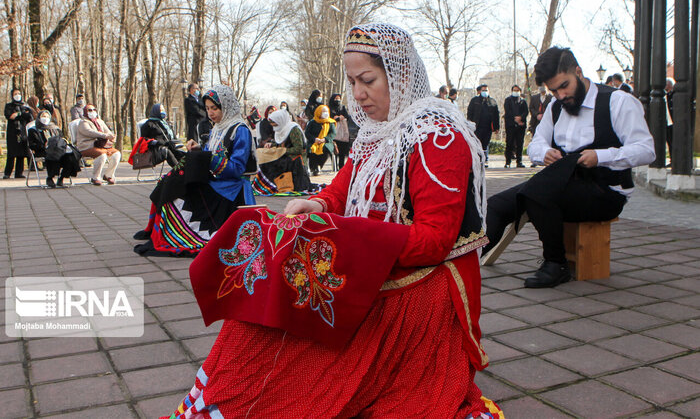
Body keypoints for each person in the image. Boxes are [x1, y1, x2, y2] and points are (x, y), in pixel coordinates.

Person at [162, 23, 500, 419]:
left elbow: (434, 241)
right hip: (377, 255)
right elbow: (341, 190)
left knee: (305, 316)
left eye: (368, 80)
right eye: (353, 81)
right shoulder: (375, 133)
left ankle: (251, 397)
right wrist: (318, 207)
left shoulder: (440, 136)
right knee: (274, 279)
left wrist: (349, 241)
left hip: (426, 277)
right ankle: (229, 395)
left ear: (401, 74)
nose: (358, 93)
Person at [483, 47, 655, 288]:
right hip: (561, 183)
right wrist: (545, 153)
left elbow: (647, 150)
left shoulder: (618, 102)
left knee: (537, 194)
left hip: (606, 191)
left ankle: (556, 263)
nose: (561, 95)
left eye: (565, 86)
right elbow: (536, 145)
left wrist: (601, 156)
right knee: (497, 204)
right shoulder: (555, 106)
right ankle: (472, 255)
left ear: (578, 71)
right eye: (554, 90)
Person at [133, 84, 255, 257]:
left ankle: (177, 234)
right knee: (170, 183)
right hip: (215, 182)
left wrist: (207, 158)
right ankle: (162, 232)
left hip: (231, 190)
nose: (211, 113)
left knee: (178, 191)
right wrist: (199, 150)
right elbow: (210, 154)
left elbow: (236, 169)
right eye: (207, 108)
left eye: (214, 108)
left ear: (226, 106)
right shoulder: (217, 128)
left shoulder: (240, 130)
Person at [255, 108, 311, 193]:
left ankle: (278, 185)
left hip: (295, 159)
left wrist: (283, 151)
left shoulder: (293, 129)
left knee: (275, 163)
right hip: (285, 155)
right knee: (266, 160)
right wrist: (272, 145)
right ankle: (267, 185)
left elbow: (299, 149)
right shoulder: (280, 129)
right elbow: (280, 143)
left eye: (275, 125)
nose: (274, 128)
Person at [27, 110, 81, 188]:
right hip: (43, 150)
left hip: (58, 148)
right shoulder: (33, 130)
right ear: (39, 118)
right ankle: (50, 177)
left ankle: (62, 177)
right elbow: (32, 145)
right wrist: (44, 145)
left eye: (47, 117)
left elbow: (62, 138)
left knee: (71, 156)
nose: (45, 118)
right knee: (54, 154)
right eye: (43, 116)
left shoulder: (55, 128)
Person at [76, 104, 121, 186]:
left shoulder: (100, 121)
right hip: (87, 146)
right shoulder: (83, 122)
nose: (92, 112)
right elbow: (90, 132)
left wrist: (111, 137)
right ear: (85, 112)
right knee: (102, 155)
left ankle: (108, 175)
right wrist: (104, 135)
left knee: (116, 154)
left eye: (94, 110)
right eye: (90, 110)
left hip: (101, 145)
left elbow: (107, 131)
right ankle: (95, 177)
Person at [140, 103, 183, 168]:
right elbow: (144, 140)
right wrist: (160, 142)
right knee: (166, 151)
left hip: (169, 147)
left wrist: (175, 142)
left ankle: (186, 171)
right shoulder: (149, 124)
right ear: (156, 111)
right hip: (154, 151)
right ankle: (179, 171)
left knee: (182, 154)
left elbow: (172, 137)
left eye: (163, 109)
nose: (163, 112)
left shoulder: (166, 124)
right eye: (161, 110)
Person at [467, 84, 499, 168]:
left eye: (486, 90)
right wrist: (469, 123)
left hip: (488, 127)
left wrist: (496, 127)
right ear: (480, 91)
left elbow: (496, 115)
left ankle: (485, 160)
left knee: (485, 144)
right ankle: (477, 159)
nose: (484, 92)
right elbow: (470, 112)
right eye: (483, 90)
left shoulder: (492, 101)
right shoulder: (475, 100)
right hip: (477, 126)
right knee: (477, 143)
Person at [3, 88, 32, 179]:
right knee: (12, 153)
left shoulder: (25, 106)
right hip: (13, 131)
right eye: (15, 94)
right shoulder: (9, 106)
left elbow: (29, 116)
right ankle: (7, 173)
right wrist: (21, 114)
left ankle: (19, 173)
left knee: (21, 153)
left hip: (23, 131)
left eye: (19, 93)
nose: (17, 95)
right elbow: (10, 116)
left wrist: (19, 114)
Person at [305, 104, 336, 175]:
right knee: (312, 149)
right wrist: (314, 139)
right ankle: (314, 167)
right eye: (324, 112)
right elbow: (307, 133)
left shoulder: (330, 122)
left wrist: (325, 139)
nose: (326, 113)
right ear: (319, 112)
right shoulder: (312, 122)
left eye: (327, 111)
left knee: (325, 148)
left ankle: (320, 165)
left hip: (326, 142)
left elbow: (333, 133)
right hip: (314, 141)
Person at [503, 84, 528, 168]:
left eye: (517, 90)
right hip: (510, 125)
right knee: (509, 143)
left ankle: (519, 161)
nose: (516, 92)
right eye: (514, 90)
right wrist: (515, 119)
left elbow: (526, 112)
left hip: (521, 126)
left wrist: (521, 118)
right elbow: (508, 111)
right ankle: (508, 162)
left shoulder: (523, 101)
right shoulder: (508, 100)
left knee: (520, 144)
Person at [328, 93, 352, 168]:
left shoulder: (342, 107)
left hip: (342, 132)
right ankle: (334, 165)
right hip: (333, 131)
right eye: (336, 99)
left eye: (339, 99)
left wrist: (340, 118)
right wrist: (337, 118)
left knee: (342, 149)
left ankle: (341, 165)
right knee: (335, 148)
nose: (337, 100)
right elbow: (330, 117)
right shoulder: (329, 108)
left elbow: (347, 116)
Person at [665, 77, 675, 166]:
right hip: (668, 122)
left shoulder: (674, 95)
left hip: (673, 122)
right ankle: (672, 160)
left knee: (673, 141)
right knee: (669, 141)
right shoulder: (666, 95)